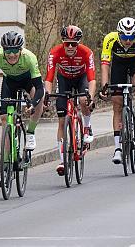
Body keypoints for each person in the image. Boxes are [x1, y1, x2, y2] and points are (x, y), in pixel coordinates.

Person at [0, 31, 45, 186]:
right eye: (8, 51)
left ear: (20, 50)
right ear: (3, 50)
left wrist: (33, 104)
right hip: (10, 83)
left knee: (40, 99)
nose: (11, 55)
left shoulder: (29, 57)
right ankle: (5, 167)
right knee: (5, 121)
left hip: (29, 81)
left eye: (15, 51)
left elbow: (39, 88)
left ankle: (30, 133)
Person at [44, 25, 96, 176]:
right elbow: (49, 78)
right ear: (63, 42)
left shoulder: (86, 52)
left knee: (82, 99)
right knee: (61, 120)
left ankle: (87, 127)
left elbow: (92, 79)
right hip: (64, 79)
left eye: (74, 44)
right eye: (68, 43)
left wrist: (90, 97)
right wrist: (47, 95)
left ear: (79, 43)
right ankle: (62, 161)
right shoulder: (55, 52)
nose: (71, 47)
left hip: (82, 78)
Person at [99, 17, 135, 164]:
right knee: (116, 104)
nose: (128, 40)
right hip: (119, 64)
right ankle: (117, 149)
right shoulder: (110, 39)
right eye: (125, 37)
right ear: (119, 34)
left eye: (131, 37)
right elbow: (105, 64)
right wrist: (105, 86)